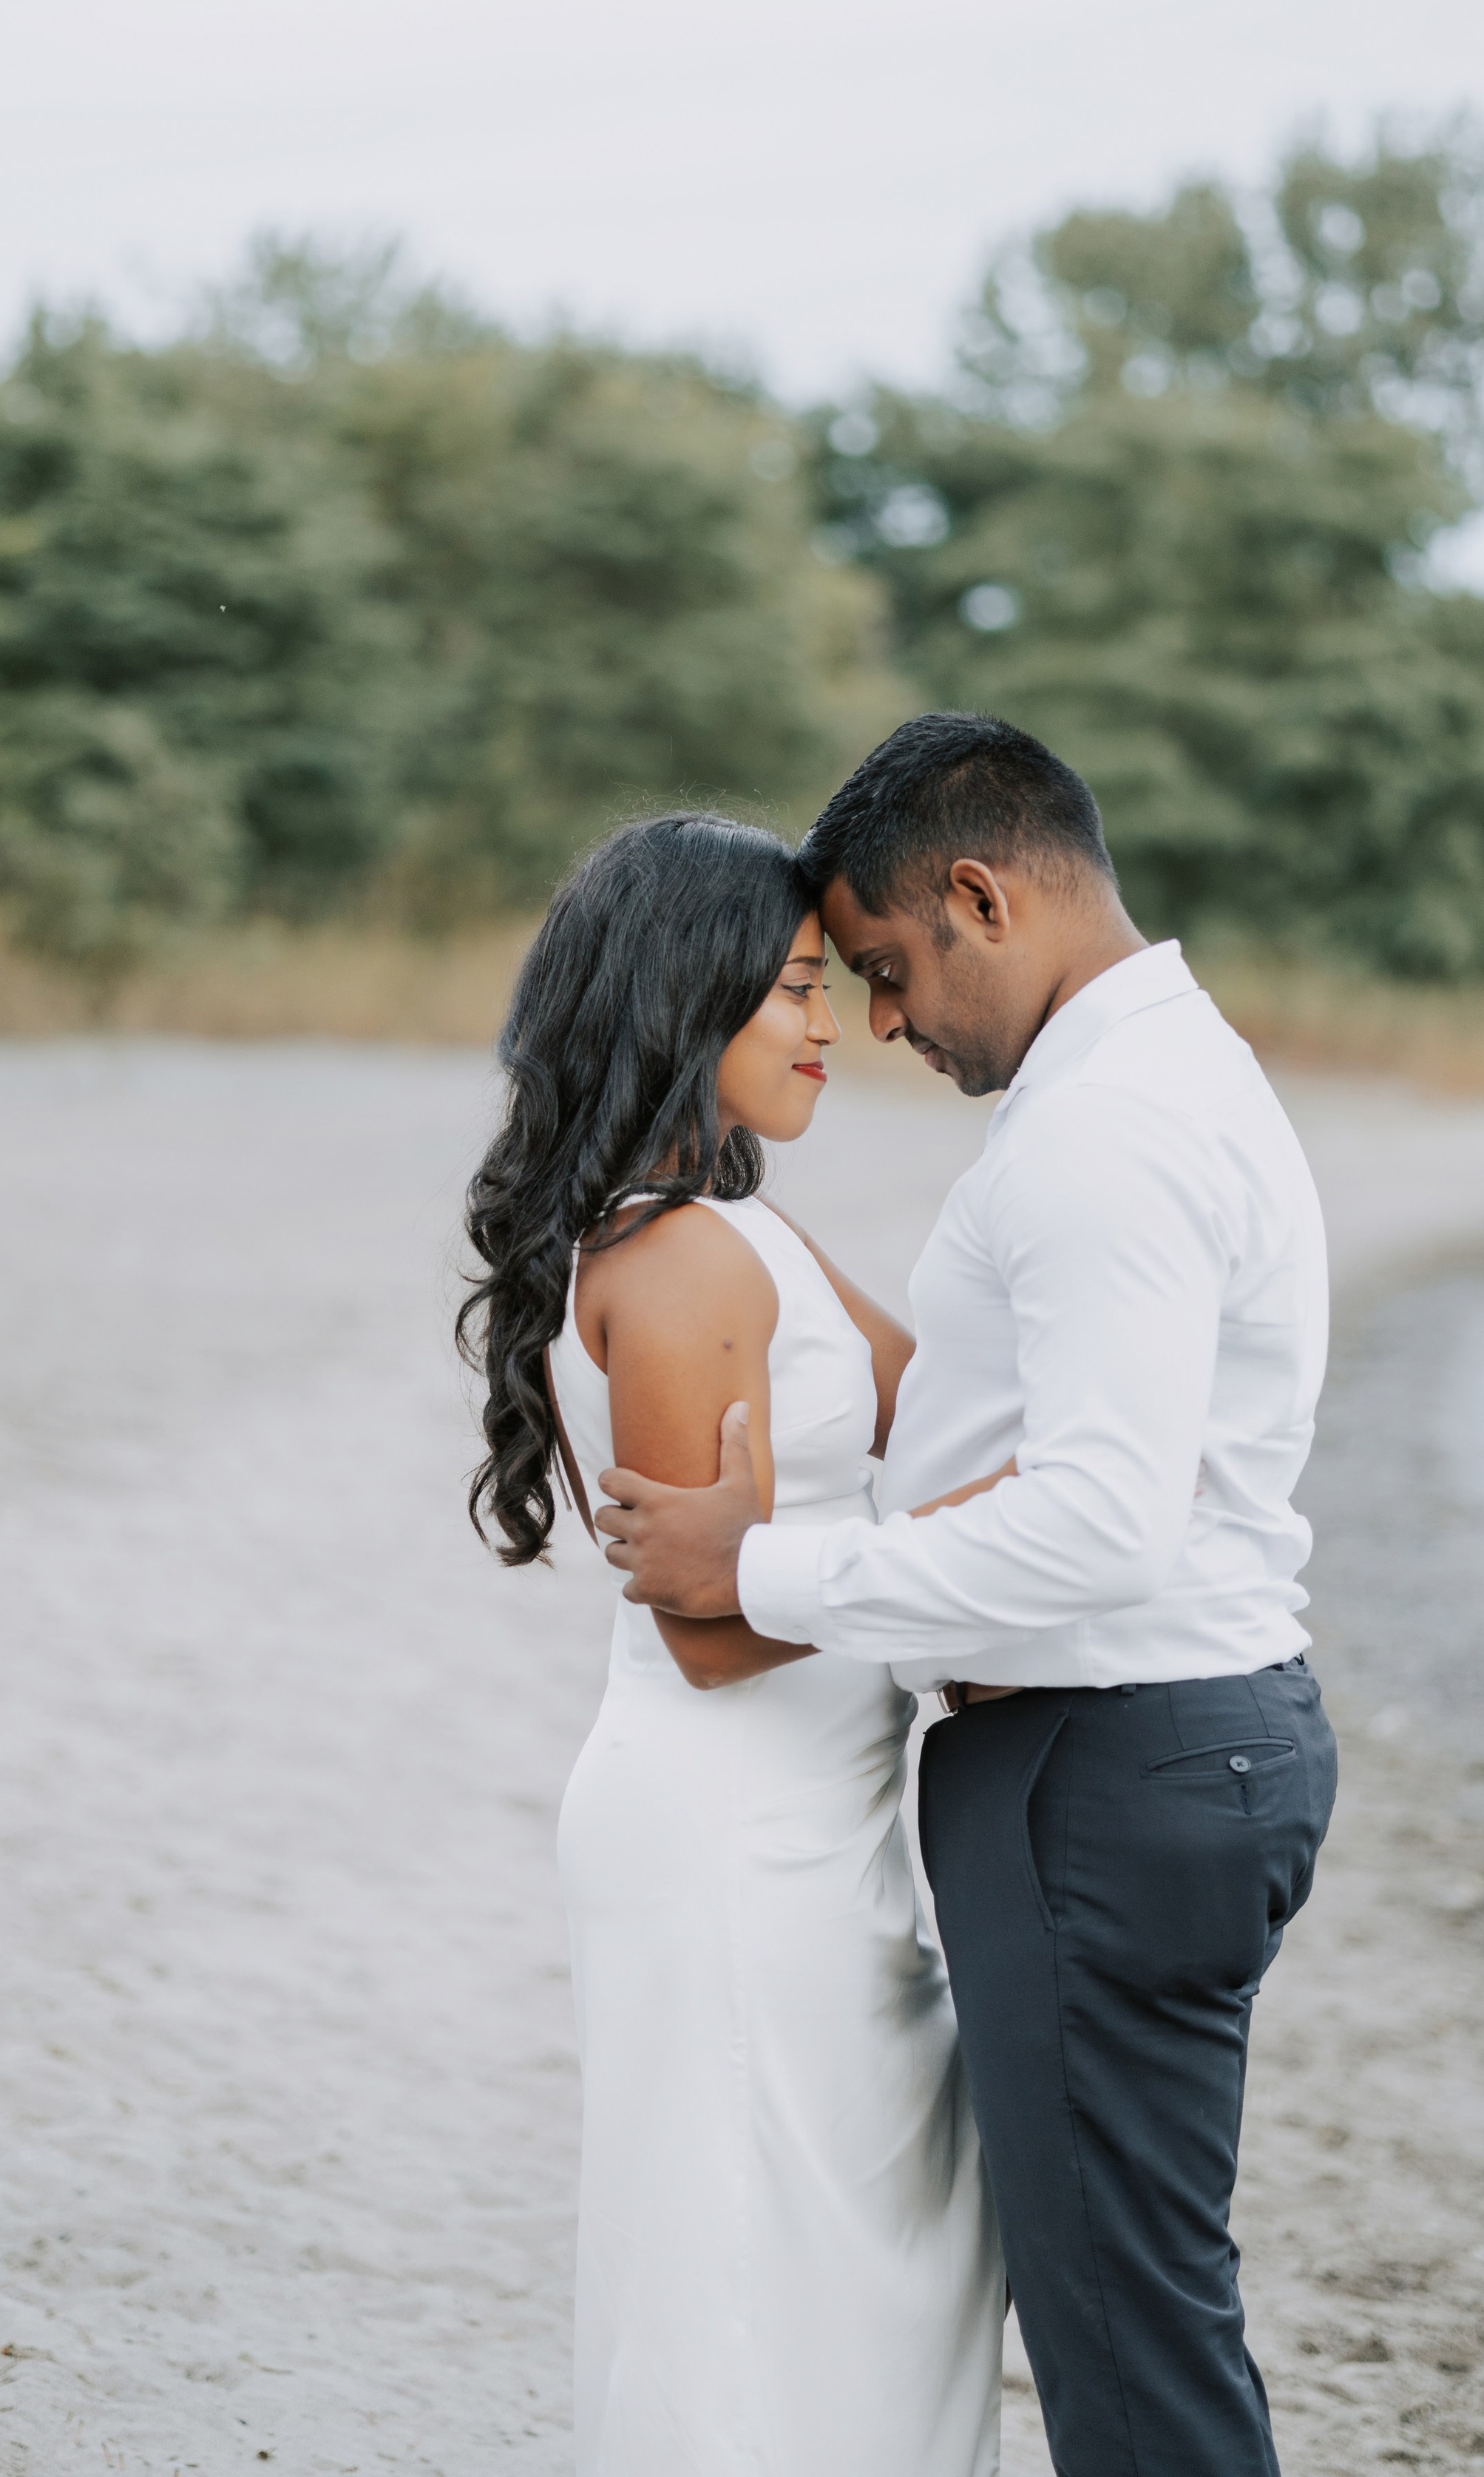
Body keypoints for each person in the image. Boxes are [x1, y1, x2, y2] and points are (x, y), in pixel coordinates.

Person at [596, 715, 1339, 2477]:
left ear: (981, 896)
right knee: (1130, 2303)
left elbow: (1100, 1528)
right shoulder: (1157, 1082)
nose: (877, 1024)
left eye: (878, 968)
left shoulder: (1107, 1135)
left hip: (1113, 1767)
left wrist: (750, 1562)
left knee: (1124, 2339)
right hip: (1154, 1753)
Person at [459, 811, 1003, 2477]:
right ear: (679, 1002)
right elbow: (711, 1630)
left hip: (823, 1820)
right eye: (786, 991)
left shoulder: (743, 1229)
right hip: (731, 1830)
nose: (827, 1024)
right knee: (744, 2283)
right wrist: (945, 1579)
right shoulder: (681, 1258)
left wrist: (887, 1545)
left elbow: (948, 1419)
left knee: (854, 2271)